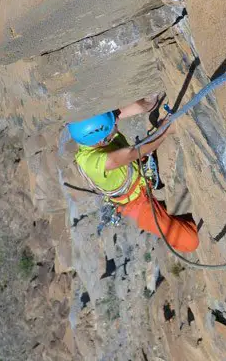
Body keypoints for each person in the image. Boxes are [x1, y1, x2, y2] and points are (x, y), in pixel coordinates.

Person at [68, 97, 200, 253]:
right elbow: (133, 153)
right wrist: (164, 132)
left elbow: (139, 107)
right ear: (101, 141)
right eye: (113, 127)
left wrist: (149, 102)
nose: (116, 125)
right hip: (135, 202)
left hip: (134, 170)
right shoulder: (94, 163)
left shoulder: (92, 129)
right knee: (190, 241)